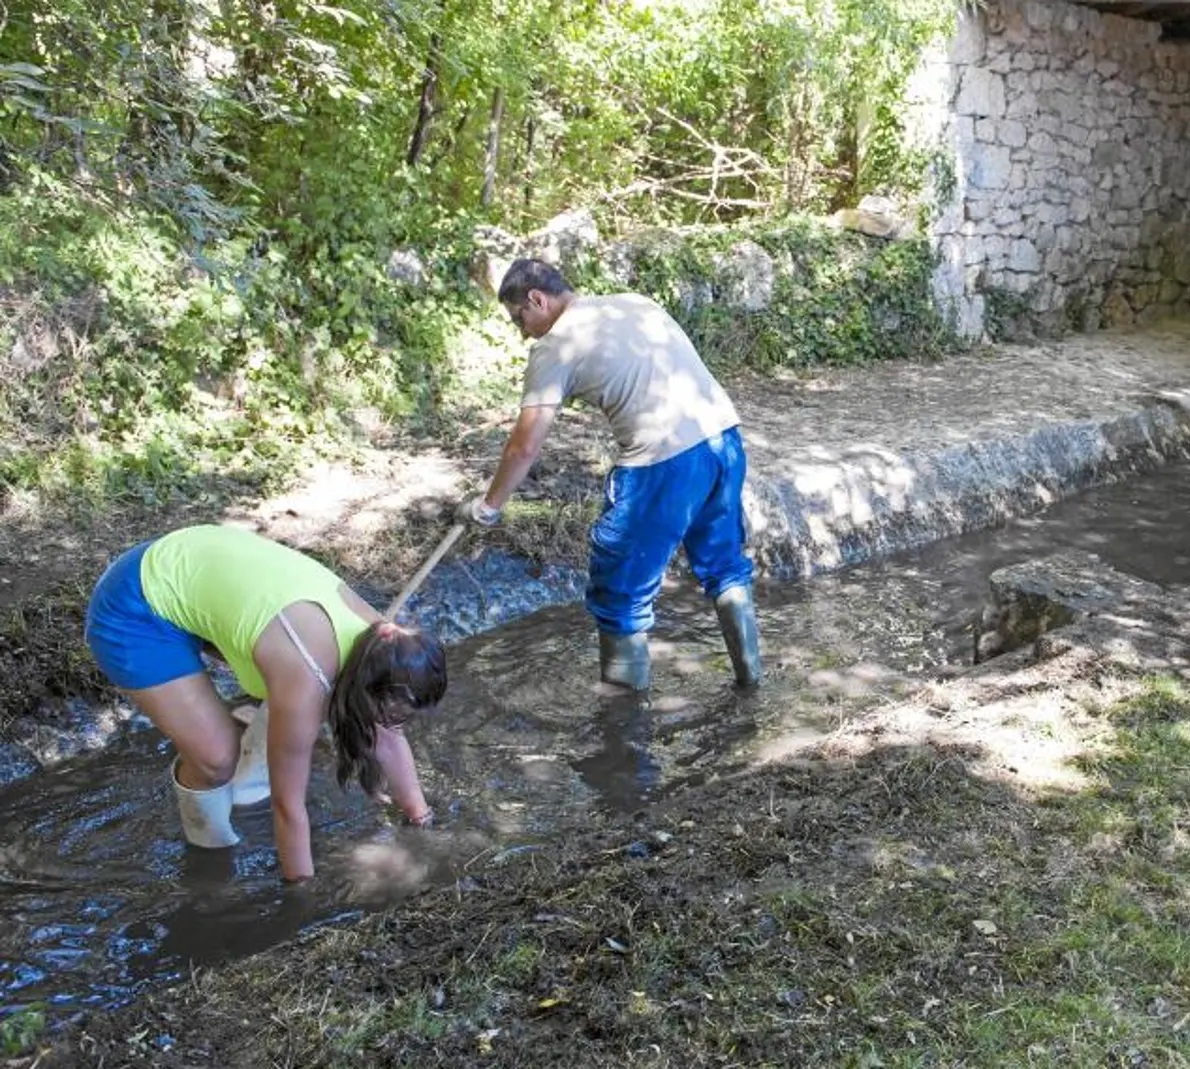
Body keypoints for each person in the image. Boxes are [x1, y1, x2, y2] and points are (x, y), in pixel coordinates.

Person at [460, 258, 762, 708]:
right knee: (725, 568)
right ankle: (751, 685)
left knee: (619, 595)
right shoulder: (630, 303)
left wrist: (488, 507)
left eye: (520, 318)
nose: (523, 332)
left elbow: (524, 446)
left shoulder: (554, 347)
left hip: (663, 465)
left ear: (537, 299)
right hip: (724, 441)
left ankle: (622, 738)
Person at [84, 524, 446, 882]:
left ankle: (255, 736)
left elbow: (387, 734)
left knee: (303, 703)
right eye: (390, 711)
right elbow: (288, 808)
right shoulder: (307, 676)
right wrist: (300, 896)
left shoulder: (385, 644)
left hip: (193, 564)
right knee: (216, 758)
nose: (391, 723)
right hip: (134, 606)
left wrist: (422, 820)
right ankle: (208, 849)